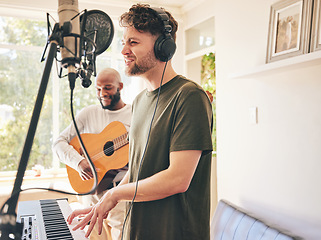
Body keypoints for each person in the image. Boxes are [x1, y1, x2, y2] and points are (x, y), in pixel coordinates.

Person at [67, 4, 213, 240]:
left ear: (163, 47)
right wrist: (104, 200)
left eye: (133, 42)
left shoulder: (189, 96)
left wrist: (116, 195)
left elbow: (178, 179)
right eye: (124, 42)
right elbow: (136, 170)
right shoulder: (140, 102)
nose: (124, 50)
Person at [52, 67, 132, 240]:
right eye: (98, 88)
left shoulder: (135, 113)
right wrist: (78, 162)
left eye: (108, 87)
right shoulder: (89, 113)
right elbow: (58, 143)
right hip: (92, 194)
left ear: (120, 86)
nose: (102, 93)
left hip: (120, 194)